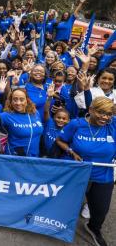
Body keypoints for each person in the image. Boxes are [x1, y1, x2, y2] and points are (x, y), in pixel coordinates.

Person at [56, 97, 116, 246]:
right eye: (101, 112)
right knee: (66, 204)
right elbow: (60, 140)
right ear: (91, 110)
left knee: (100, 211)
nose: (105, 117)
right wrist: (71, 152)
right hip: (77, 173)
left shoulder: (112, 125)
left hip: (103, 176)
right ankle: (58, 227)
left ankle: (93, 228)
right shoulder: (77, 124)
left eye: (109, 113)